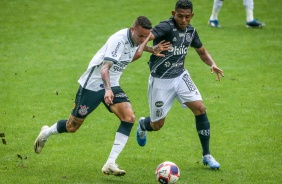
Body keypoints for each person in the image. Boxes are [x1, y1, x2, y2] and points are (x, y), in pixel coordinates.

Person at [34, 16, 171, 176]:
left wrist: (150, 49)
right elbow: (104, 68)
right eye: (140, 36)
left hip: (112, 84)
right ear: (132, 30)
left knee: (129, 118)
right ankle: (45, 133)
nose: (142, 40)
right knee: (72, 127)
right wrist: (107, 90)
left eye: (145, 37)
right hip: (93, 84)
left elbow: (135, 50)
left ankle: (110, 163)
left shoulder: (134, 40)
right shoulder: (118, 40)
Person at [135, 0, 224, 169]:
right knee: (157, 125)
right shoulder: (165, 27)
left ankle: (207, 155)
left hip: (181, 77)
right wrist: (151, 49)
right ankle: (142, 124)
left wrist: (212, 63)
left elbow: (202, 51)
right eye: (180, 16)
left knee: (200, 108)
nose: (183, 20)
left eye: (187, 17)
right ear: (173, 13)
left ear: (192, 16)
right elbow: (144, 38)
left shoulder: (191, 31)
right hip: (160, 80)